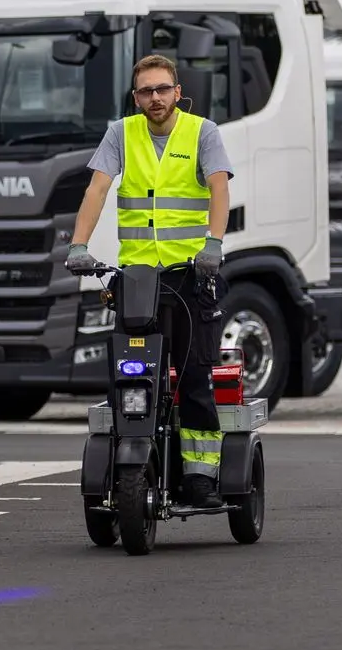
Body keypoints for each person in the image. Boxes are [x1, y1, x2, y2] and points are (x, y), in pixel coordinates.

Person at [66, 54, 233, 508]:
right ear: (136, 96)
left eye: (162, 89)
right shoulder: (121, 132)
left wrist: (213, 243)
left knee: (195, 376)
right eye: (146, 91)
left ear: (177, 93)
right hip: (137, 280)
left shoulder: (203, 132)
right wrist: (79, 245)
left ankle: (200, 478)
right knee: (130, 376)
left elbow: (219, 187)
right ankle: (127, 456)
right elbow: (97, 188)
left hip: (191, 277)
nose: (154, 98)